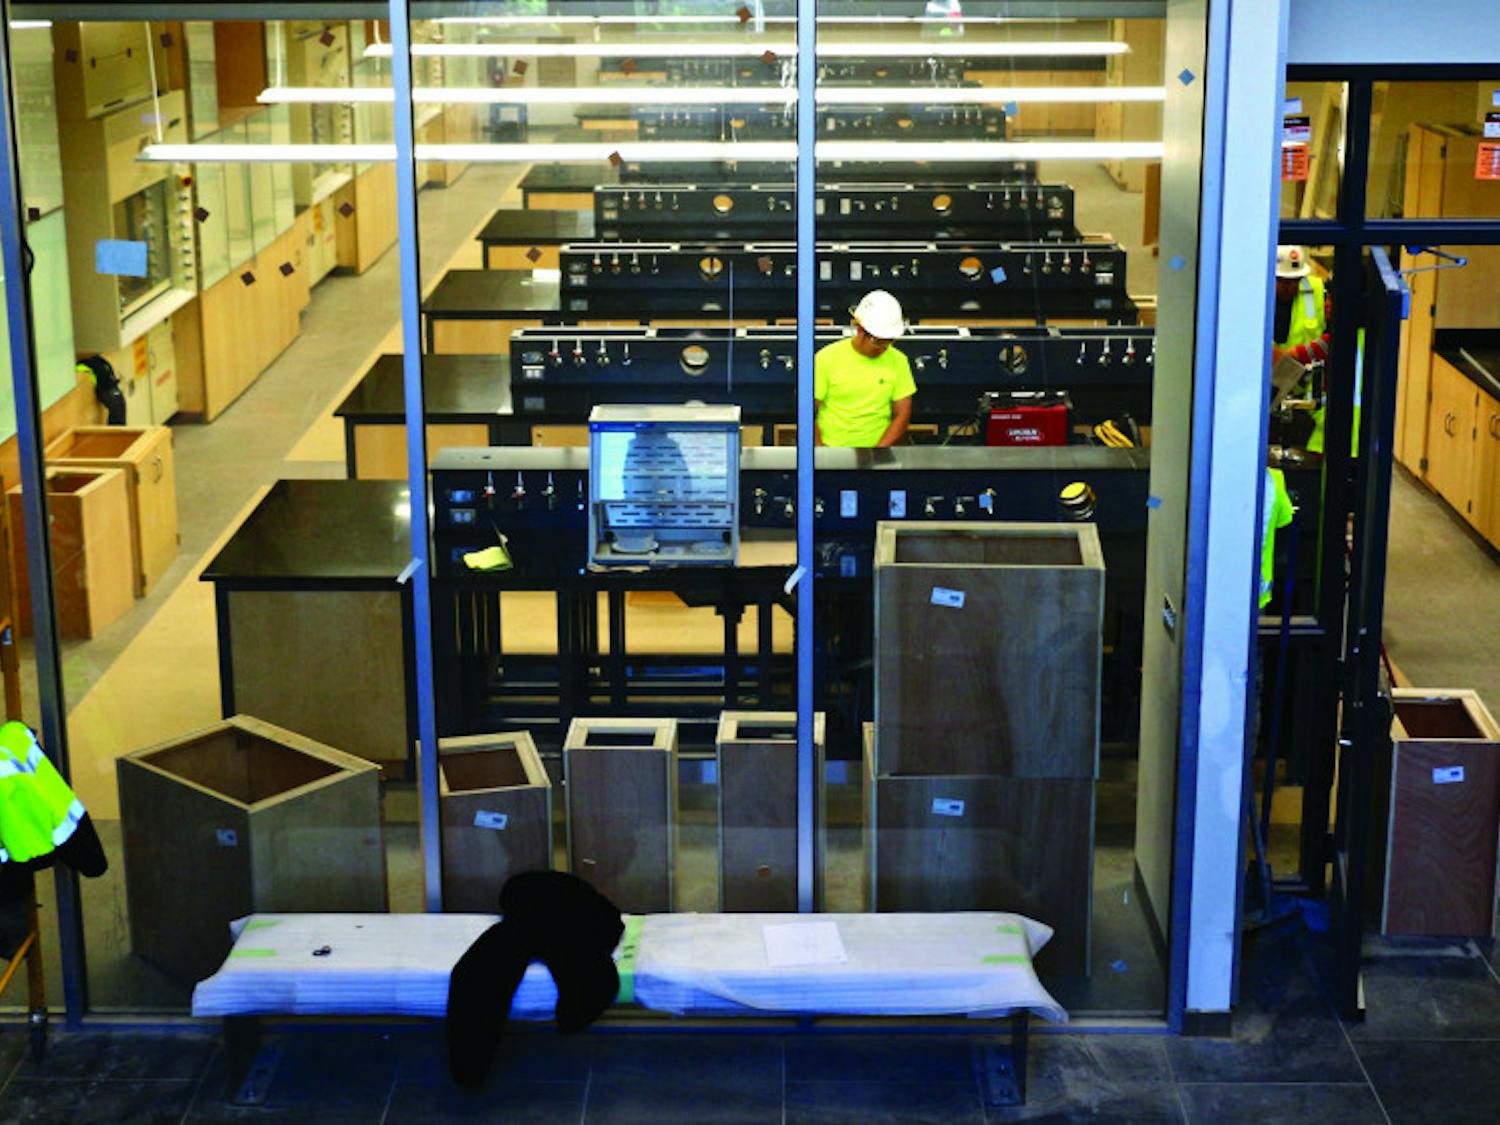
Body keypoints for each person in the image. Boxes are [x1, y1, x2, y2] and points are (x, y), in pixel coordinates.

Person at [814, 290, 916, 448]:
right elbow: (806, 412)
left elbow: (902, 415)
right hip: (832, 451)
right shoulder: (826, 358)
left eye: (888, 341)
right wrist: (821, 453)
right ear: (860, 330)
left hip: (879, 454)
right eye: (878, 342)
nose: (883, 348)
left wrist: (878, 453)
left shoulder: (898, 361)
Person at [1271, 245, 1334, 453]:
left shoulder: (1318, 291)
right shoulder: (1252, 294)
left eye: (1294, 281)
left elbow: (1331, 337)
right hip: (1267, 388)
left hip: (1305, 394)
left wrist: (1295, 355)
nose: (1289, 287)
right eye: (1283, 281)